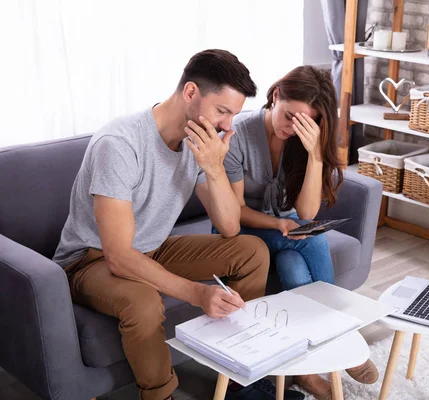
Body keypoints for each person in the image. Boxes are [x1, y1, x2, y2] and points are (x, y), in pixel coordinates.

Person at [53, 50, 302, 400]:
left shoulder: (199, 142)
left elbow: (229, 227)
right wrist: (198, 293)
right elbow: (119, 257)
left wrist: (215, 167)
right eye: (222, 111)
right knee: (142, 301)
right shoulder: (121, 145)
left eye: (234, 114)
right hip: (88, 260)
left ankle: (239, 375)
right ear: (190, 93)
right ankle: (160, 395)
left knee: (251, 251)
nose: (229, 125)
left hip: (154, 247)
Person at [207, 65, 379, 399]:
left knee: (292, 267)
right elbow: (235, 211)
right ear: (275, 97)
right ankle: (340, 334)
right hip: (239, 233)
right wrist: (277, 223)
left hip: (287, 236)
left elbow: (307, 212)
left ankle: (307, 372)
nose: (291, 127)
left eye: (304, 122)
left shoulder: (303, 142)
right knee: (310, 239)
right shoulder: (238, 135)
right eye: (289, 116)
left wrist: (314, 154)